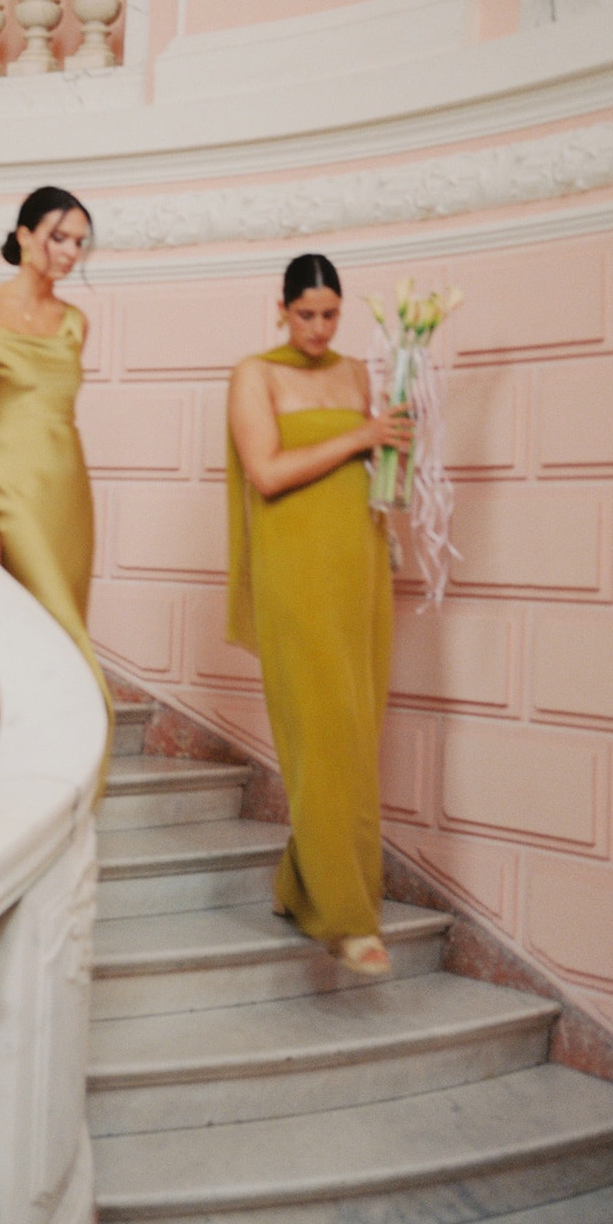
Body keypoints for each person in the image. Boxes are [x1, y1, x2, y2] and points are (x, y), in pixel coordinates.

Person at [225, 253, 412, 976]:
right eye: (305, 314)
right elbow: (267, 473)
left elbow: (367, 471)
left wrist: (389, 497)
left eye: (330, 314)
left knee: (355, 727)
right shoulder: (254, 374)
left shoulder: (356, 374)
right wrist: (361, 437)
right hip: (294, 571)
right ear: (280, 309)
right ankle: (347, 921)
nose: (318, 327)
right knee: (321, 728)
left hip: (357, 562)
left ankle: (299, 887)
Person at [0, 186, 114, 771]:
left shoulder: (75, 322)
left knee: (54, 633)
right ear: (24, 237)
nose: (71, 252)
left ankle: (42, 769)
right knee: (61, 643)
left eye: (79, 242)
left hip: (68, 494)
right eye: (59, 238)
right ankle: (71, 768)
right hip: (8, 491)